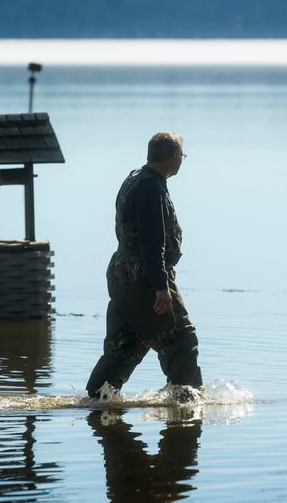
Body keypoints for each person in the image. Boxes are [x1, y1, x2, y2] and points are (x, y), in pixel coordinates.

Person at [86, 132, 203, 399]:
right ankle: (187, 403)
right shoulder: (151, 187)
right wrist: (161, 287)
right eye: (182, 156)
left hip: (123, 276)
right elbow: (152, 242)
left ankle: (96, 399)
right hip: (145, 280)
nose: (182, 161)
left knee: (125, 346)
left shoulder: (136, 178)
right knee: (181, 341)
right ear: (173, 158)